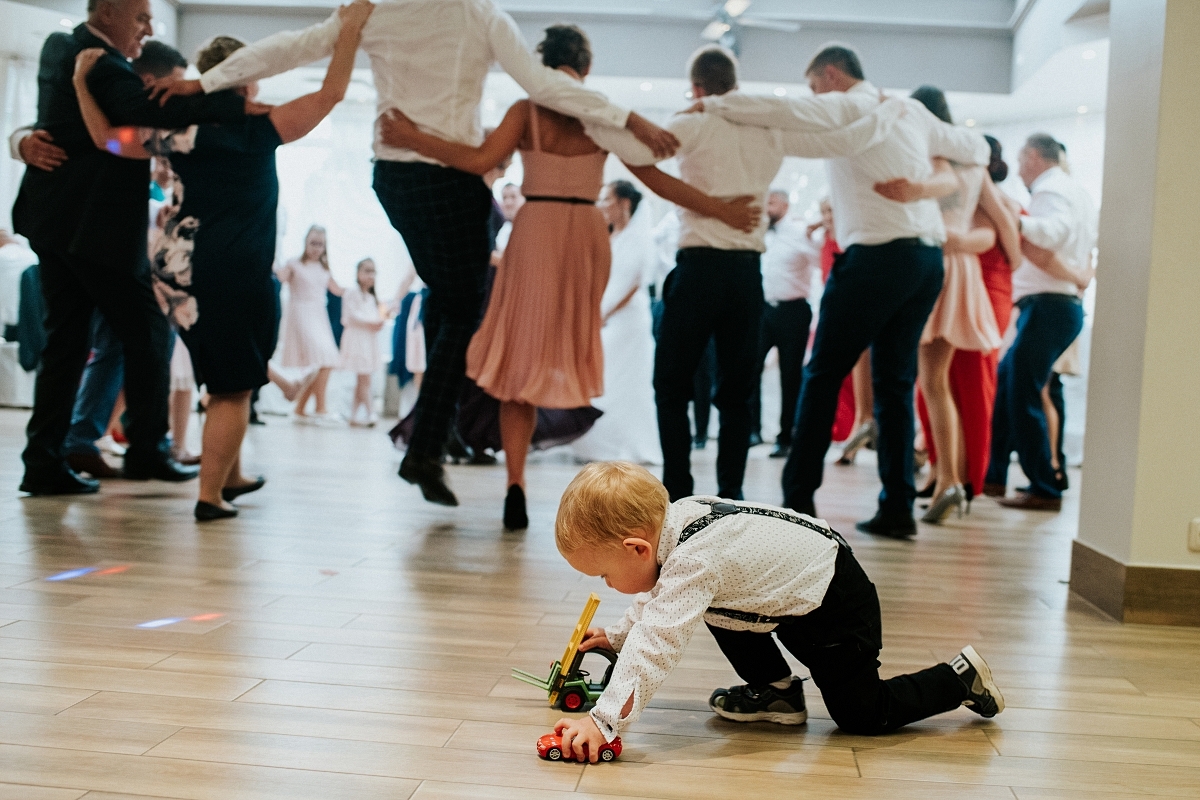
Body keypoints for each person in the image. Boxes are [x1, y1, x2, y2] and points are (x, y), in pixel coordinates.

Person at [163, 0, 681, 509]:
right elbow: (543, 86)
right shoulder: (482, 16)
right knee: (461, 305)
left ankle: (430, 439)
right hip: (447, 179)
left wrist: (203, 82)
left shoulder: (384, 10)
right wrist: (631, 118)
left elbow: (293, 47)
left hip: (394, 177)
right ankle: (426, 446)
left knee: (447, 297)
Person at [379, 25, 757, 530]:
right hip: (584, 231)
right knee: (560, 345)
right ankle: (552, 427)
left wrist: (410, 138)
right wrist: (719, 209)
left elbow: (478, 162)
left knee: (519, 366)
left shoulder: (526, 109)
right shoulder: (599, 110)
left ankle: (516, 485)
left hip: (535, 227)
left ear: (542, 61)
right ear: (585, 67)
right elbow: (654, 179)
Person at [72, 2, 374, 520]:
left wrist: (82, 85)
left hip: (180, 276)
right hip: (234, 271)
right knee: (233, 385)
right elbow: (331, 94)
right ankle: (210, 496)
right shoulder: (259, 129)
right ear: (249, 81)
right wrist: (350, 32)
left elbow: (107, 139)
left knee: (230, 373)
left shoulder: (177, 131)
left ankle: (230, 475)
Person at [588, 45, 911, 505]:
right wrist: (887, 111)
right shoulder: (768, 130)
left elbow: (633, 154)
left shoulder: (693, 122)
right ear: (735, 88)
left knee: (671, 384)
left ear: (697, 88)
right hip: (744, 276)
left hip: (698, 269)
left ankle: (677, 489)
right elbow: (843, 141)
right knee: (738, 393)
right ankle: (731, 495)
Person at [697, 44, 989, 536]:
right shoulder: (911, 111)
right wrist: (923, 187)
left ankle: (798, 503)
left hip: (876, 259)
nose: (812, 96)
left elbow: (781, 109)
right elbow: (978, 150)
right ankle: (897, 508)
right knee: (895, 384)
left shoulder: (850, 104)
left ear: (831, 76)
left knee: (823, 372)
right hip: (925, 261)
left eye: (813, 86)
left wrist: (711, 104)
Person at [549, 461, 1004, 761]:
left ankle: (957, 678)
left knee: (862, 714)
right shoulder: (676, 524)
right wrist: (619, 633)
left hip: (836, 605)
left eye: (604, 575)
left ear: (636, 547)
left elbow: (659, 641)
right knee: (708, 607)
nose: (607, 585)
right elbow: (658, 600)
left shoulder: (695, 561)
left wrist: (603, 721)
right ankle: (778, 693)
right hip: (792, 595)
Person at [10, 0, 261, 496]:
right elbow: (136, 115)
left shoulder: (62, 49)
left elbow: (78, 129)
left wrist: (19, 139)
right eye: (141, 16)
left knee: (68, 343)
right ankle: (147, 450)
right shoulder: (101, 61)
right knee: (147, 332)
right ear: (108, 12)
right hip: (93, 228)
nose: (148, 27)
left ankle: (44, 460)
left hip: (56, 221)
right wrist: (232, 103)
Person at [899, 86, 1009, 524]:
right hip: (962, 269)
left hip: (930, 261)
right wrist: (1013, 260)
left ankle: (948, 480)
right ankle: (950, 479)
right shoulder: (975, 162)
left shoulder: (923, 156)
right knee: (936, 382)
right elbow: (998, 225)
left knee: (929, 382)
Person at [983, 134, 1096, 511]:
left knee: (1022, 392)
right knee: (1014, 385)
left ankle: (1043, 488)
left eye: (1021, 159)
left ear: (1033, 157)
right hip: (1053, 305)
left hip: (1049, 305)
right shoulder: (1073, 190)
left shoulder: (1051, 190)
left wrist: (1013, 219)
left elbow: (1052, 234)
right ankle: (998, 476)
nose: (1018, 168)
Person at [915, 135, 1023, 510]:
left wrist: (1012, 264)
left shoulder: (979, 183)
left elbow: (1005, 235)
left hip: (985, 280)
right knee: (935, 383)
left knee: (971, 382)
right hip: (963, 274)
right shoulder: (947, 173)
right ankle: (943, 470)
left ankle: (966, 477)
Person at [571, 180, 662, 466]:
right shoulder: (611, 236)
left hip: (628, 319)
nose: (602, 206)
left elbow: (637, 282)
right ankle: (600, 442)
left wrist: (607, 312)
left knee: (624, 377)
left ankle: (632, 445)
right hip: (605, 314)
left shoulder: (641, 238)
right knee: (605, 375)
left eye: (607, 199)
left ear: (624, 203)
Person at [749, 189, 819, 459]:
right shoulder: (760, 231)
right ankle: (752, 431)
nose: (766, 207)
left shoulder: (800, 232)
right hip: (763, 310)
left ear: (785, 204)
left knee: (790, 376)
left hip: (793, 311)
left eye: (771, 202)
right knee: (750, 368)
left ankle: (785, 437)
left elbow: (819, 262)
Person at [277, 225, 343, 421]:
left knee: (325, 361)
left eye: (320, 244)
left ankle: (301, 408)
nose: (316, 248)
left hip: (318, 316)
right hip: (300, 313)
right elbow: (279, 278)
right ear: (306, 243)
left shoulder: (325, 269)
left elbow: (339, 290)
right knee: (322, 358)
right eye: (313, 243)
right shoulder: (294, 264)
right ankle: (320, 408)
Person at [339, 257, 386, 427]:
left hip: (368, 340)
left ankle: (353, 415)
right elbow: (350, 316)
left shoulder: (372, 298)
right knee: (364, 378)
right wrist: (371, 323)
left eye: (373, 271)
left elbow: (374, 317)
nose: (371, 275)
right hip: (357, 340)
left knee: (363, 378)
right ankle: (370, 412)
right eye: (367, 271)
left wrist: (378, 322)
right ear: (358, 273)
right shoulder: (352, 293)